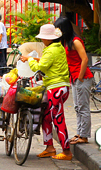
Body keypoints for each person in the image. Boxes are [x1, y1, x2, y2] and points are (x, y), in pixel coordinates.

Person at [19, 24, 72, 161]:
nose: (42, 40)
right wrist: (33, 58)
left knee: (58, 119)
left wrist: (30, 60)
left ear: (49, 39)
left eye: (43, 38)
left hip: (56, 88)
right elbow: (46, 61)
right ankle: (49, 147)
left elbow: (40, 67)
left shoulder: (50, 51)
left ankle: (66, 151)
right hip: (60, 87)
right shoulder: (58, 48)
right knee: (47, 117)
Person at [54, 16, 92, 145]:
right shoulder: (66, 42)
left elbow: (85, 59)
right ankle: (80, 133)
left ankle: (84, 135)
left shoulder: (76, 41)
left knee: (83, 107)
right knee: (77, 107)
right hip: (75, 78)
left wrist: (80, 76)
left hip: (82, 78)